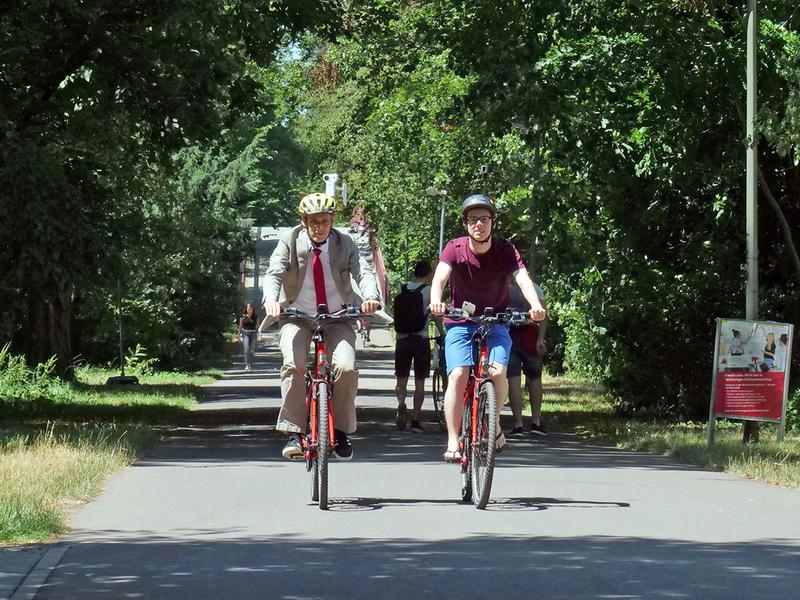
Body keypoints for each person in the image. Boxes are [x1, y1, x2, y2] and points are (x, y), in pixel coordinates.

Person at [263, 192, 381, 461]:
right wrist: (271, 299)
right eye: (313, 222)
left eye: (325, 221)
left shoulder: (344, 243)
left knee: (346, 367)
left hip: (338, 316)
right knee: (293, 364)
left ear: (332, 220)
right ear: (304, 222)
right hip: (298, 316)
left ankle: (340, 432)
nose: (319, 227)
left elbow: (363, 272)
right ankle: (294, 431)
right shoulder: (290, 240)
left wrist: (371, 297)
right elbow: (274, 272)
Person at [429, 194, 546, 461]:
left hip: (496, 321)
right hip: (461, 321)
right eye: (472, 220)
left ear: (493, 222)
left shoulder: (505, 250)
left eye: (483, 219)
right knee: (458, 375)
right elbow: (440, 278)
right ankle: (453, 440)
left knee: (498, 371)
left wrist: (534, 305)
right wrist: (436, 301)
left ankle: (493, 425)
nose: (478, 225)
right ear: (465, 224)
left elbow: (523, 279)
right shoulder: (454, 248)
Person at [393, 260, 442, 432]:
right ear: (429, 274)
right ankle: (415, 419)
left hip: (402, 339)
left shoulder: (402, 288)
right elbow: (435, 316)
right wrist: (442, 332)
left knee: (401, 379)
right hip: (420, 340)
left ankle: (400, 403)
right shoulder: (429, 291)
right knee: (420, 382)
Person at [506, 280, 548, 436]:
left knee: (514, 380)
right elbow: (544, 316)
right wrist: (540, 339)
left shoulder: (504, 288)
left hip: (510, 335)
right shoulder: (535, 289)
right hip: (530, 336)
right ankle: (536, 421)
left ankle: (518, 423)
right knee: (535, 378)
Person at [237, 303, 260, 371]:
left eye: (251, 308)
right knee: (246, 348)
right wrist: (238, 336)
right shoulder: (243, 316)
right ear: (246, 309)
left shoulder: (256, 316)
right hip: (245, 333)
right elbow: (240, 326)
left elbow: (258, 327)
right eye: (248, 308)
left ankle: (250, 360)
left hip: (253, 333)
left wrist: (259, 335)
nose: (250, 310)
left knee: (252, 349)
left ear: (253, 309)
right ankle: (247, 364)